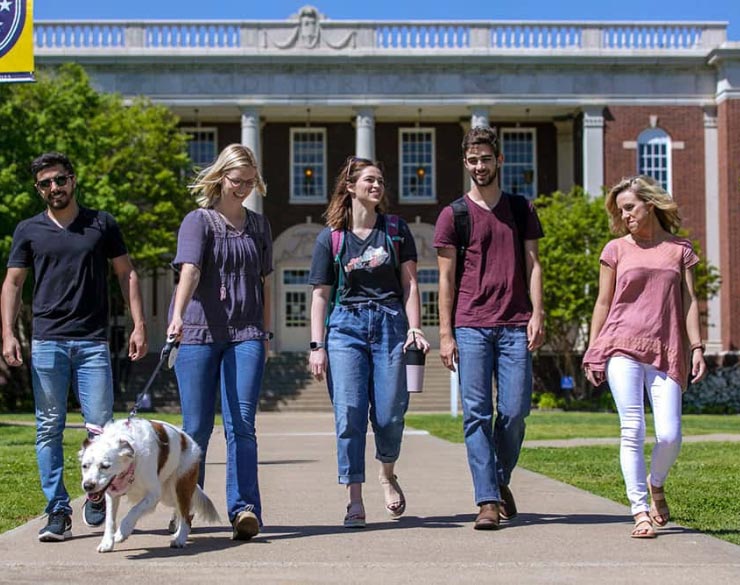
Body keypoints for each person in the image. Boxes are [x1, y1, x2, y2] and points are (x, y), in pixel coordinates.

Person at [1, 152, 147, 542]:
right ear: (39, 189)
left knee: (100, 429)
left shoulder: (101, 224)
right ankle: (57, 512)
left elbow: (126, 272)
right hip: (47, 341)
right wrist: (8, 333)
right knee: (48, 427)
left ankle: (96, 495)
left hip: (92, 343)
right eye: (45, 184)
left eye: (60, 180)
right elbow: (13, 283)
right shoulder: (28, 230)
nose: (54, 188)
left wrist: (138, 324)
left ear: (73, 180)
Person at [308, 156, 430, 529]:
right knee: (350, 415)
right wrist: (317, 346)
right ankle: (354, 499)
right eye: (369, 180)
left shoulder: (395, 229)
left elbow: (409, 283)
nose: (377, 186)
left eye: (380, 180)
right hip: (345, 328)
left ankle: (387, 473)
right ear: (350, 188)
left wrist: (415, 327)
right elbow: (319, 295)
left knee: (391, 413)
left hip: (391, 324)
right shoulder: (331, 237)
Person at [582, 175, 707, 539]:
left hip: (665, 347)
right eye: (620, 211)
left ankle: (656, 483)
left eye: (630, 208)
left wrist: (696, 347)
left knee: (670, 435)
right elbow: (603, 303)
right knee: (632, 428)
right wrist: (593, 349)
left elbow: (689, 302)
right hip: (620, 344)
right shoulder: (615, 249)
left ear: (649, 204)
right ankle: (639, 511)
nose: (625, 217)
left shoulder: (679, 249)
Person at [434, 126, 545, 530]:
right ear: (466, 164)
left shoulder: (520, 209)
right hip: (471, 326)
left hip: (515, 323)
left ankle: (497, 480)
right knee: (476, 415)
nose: (479, 166)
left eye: (485, 159)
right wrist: (445, 334)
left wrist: (539, 312)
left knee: (515, 412)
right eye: (472, 160)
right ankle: (487, 501)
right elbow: (445, 279)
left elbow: (533, 264)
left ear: (499, 160)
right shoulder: (454, 215)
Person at [166, 143, 272, 541]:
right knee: (195, 428)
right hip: (198, 335)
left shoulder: (259, 226)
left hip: (245, 334)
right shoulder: (199, 221)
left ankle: (244, 509)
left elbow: (265, 282)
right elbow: (190, 270)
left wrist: (265, 333)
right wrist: (176, 316)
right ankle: (185, 508)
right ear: (221, 177)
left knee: (242, 424)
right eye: (236, 180)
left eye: (249, 182)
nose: (242, 188)